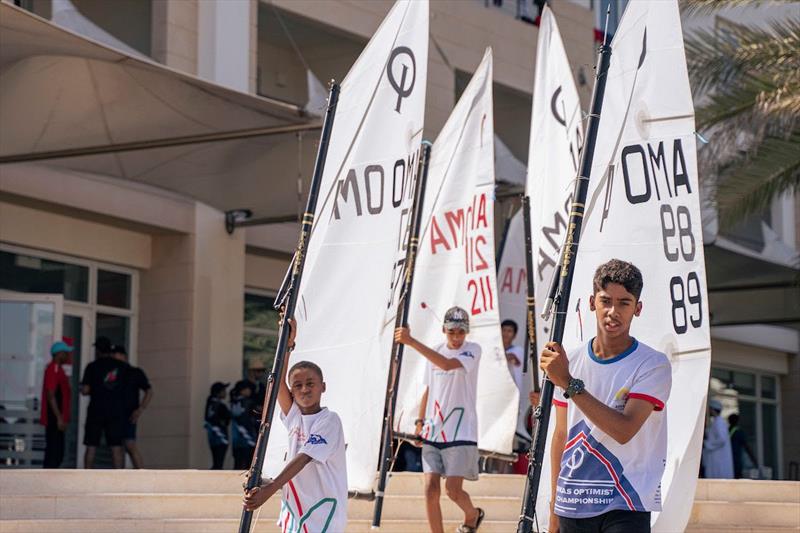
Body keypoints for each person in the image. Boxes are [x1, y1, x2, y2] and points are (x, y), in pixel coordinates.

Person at [541, 259, 671, 533]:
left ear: (638, 308)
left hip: (627, 500)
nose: (614, 311)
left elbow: (624, 430)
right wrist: (554, 507)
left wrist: (567, 381)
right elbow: (561, 435)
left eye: (624, 302)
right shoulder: (570, 360)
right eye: (606, 301)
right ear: (592, 303)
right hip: (572, 502)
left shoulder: (652, 364)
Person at [243, 319, 348, 533]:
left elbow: (304, 457)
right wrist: (287, 345)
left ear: (323, 387)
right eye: (298, 385)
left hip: (322, 515)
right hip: (295, 513)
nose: (304, 389)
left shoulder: (329, 420)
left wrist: (270, 489)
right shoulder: (294, 417)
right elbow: (277, 382)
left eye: (311, 384)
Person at [395, 306, 485, 533]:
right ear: (443, 329)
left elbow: (446, 364)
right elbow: (429, 389)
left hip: (462, 431)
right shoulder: (435, 350)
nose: (456, 337)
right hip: (433, 431)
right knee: (430, 489)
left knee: (452, 490)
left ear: (467, 332)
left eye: (461, 332)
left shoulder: (473, 350)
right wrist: (419, 422)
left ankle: (473, 514)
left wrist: (411, 341)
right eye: (452, 331)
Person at [80, 336, 128, 469]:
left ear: (98, 351)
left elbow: (85, 389)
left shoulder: (92, 367)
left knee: (91, 445)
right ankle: (119, 479)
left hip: (96, 409)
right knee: (116, 447)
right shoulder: (121, 367)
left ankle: (86, 477)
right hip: (115, 410)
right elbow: (127, 387)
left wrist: (89, 389)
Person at [112, 344, 152, 469]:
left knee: (130, 444)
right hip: (113, 414)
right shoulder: (112, 374)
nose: (114, 358)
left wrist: (140, 409)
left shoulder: (134, 372)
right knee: (116, 447)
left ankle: (142, 475)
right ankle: (118, 480)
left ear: (124, 356)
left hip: (129, 414)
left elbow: (149, 391)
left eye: (116, 355)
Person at [41, 340, 73, 468]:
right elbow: (50, 394)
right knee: (54, 453)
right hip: (54, 418)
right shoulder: (53, 369)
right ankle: (47, 481)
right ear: (59, 354)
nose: (68, 356)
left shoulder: (58, 369)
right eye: (66, 353)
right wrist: (59, 418)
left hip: (57, 418)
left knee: (57, 452)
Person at [702, 399, 734, 479]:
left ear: (712, 410)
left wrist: (707, 444)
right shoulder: (717, 422)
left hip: (718, 458)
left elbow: (722, 439)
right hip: (716, 457)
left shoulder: (719, 422)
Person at [230, 380, 258, 470]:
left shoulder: (234, 401)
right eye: (248, 389)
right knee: (248, 465)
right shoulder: (247, 402)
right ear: (242, 390)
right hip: (248, 437)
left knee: (238, 463)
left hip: (237, 438)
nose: (249, 391)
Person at [205, 381, 231, 469]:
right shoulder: (219, 405)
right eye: (223, 390)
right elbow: (227, 417)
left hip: (213, 436)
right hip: (220, 436)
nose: (225, 392)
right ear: (218, 392)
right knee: (218, 461)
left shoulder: (210, 402)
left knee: (217, 460)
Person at [728, 413, 758, 479]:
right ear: (737, 421)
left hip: (727, 460)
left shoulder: (727, 431)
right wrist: (754, 460)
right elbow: (747, 447)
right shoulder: (738, 432)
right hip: (736, 460)